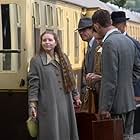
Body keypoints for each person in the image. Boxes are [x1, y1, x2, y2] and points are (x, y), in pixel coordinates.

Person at [92, 9, 140, 139]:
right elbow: (137, 70)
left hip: (115, 107)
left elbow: (110, 80)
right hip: (129, 102)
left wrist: (104, 108)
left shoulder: (109, 44)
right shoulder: (129, 41)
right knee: (127, 137)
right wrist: (126, 83)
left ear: (96, 26)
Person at [28, 30, 81, 140]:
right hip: (48, 104)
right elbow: (33, 85)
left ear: (56, 42)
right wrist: (32, 105)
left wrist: (76, 95)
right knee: (51, 132)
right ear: (41, 43)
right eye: (44, 40)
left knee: (66, 130)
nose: (47, 42)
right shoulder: (36, 61)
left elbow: (70, 78)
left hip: (66, 102)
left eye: (50, 40)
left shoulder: (63, 57)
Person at [111, 11, 140, 97]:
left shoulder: (134, 43)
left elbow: (137, 68)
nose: (115, 26)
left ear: (124, 24)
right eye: (114, 24)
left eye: (117, 24)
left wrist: (129, 84)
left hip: (132, 90)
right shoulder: (110, 42)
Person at [76, 17, 101, 113]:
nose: (81, 33)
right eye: (79, 31)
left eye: (84, 30)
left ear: (92, 29)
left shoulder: (97, 45)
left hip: (97, 93)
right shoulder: (90, 46)